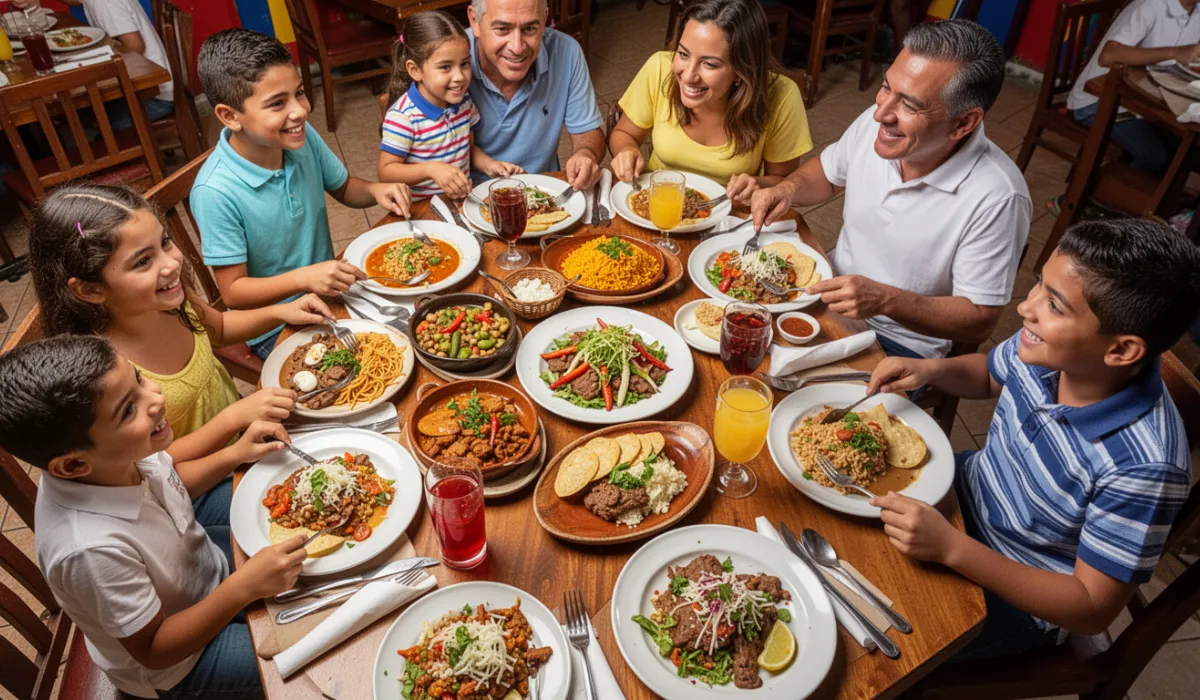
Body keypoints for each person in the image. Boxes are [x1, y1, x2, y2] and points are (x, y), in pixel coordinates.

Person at [867, 218, 1200, 660]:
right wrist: (934, 371)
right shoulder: (1049, 352)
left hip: (1012, 595)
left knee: (869, 645)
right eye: (1039, 285)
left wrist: (953, 549)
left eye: (1055, 306)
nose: (1027, 307)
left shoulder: (1144, 466)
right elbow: (989, 375)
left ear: (1120, 350)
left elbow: (1091, 607)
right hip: (958, 495)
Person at [0, 335, 310, 698]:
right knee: (311, 658)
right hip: (186, 662)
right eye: (128, 410)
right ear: (72, 464)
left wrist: (236, 453)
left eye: (139, 379)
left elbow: (171, 480)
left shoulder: (113, 456)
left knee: (315, 549)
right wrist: (243, 588)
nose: (157, 397)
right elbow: (155, 651)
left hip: (205, 569)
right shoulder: (87, 549)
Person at [751, 20, 1031, 360]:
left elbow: (979, 321)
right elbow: (827, 174)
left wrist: (885, 300)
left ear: (963, 123)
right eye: (886, 87)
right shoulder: (880, 121)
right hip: (820, 297)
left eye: (910, 105)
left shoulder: (998, 197)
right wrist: (789, 188)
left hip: (899, 344)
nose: (881, 113)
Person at [27, 184, 326, 444]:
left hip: (246, 434)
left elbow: (219, 328)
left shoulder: (172, 301)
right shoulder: (105, 371)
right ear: (90, 290)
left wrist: (281, 311)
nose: (171, 264)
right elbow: (154, 463)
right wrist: (233, 421)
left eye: (165, 242)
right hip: (195, 488)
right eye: (143, 261)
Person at [191, 29, 413, 360]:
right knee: (378, 364)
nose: (300, 111)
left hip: (334, 293)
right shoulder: (215, 192)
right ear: (229, 116)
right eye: (278, 103)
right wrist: (304, 278)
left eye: (299, 93)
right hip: (276, 324)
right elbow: (234, 293)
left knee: (420, 323)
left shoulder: (299, 135)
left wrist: (376, 190)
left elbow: (344, 187)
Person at [609, 0, 811, 201]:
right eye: (683, 54)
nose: (688, 76)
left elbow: (784, 180)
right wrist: (627, 150)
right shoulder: (659, 68)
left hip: (730, 214)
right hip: (655, 203)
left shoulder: (781, 95)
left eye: (709, 64)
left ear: (742, 70)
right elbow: (624, 133)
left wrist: (759, 184)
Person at [378, 11, 523, 199]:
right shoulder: (403, 117)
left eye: (464, 64)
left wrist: (489, 165)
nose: (459, 77)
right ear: (415, 70)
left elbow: (468, 149)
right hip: (422, 212)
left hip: (460, 203)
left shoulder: (463, 102)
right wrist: (431, 170)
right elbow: (386, 172)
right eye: (445, 67)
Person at [466, 0, 604, 190]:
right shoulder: (444, 61)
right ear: (474, 20)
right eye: (502, 29)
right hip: (467, 197)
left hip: (542, 192)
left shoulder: (567, 51)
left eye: (529, 28)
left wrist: (586, 153)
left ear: (545, 18)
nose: (517, 47)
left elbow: (587, 132)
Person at [1067, 0, 1199, 175]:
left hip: (1140, 102)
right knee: (1155, 156)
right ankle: (1092, 193)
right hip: (1098, 100)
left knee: (1180, 149)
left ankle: (1139, 196)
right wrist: (1173, 52)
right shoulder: (1149, 5)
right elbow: (1108, 55)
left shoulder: (1196, 13)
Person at [10, 0, 176, 123]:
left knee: (79, 123)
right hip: (144, 88)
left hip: (153, 97)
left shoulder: (103, 2)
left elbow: (136, 46)